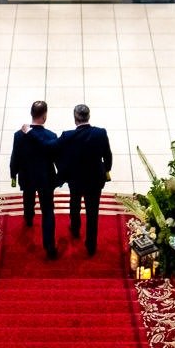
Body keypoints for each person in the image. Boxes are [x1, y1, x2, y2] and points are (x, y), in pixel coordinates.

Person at [56, 103, 112, 256]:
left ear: (75, 119)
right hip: (95, 179)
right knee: (92, 212)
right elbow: (108, 155)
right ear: (89, 117)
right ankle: (91, 245)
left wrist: (63, 171)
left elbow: (56, 153)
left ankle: (75, 229)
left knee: (74, 203)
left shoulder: (67, 136)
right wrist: (106, 170)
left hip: (75, 179)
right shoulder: (100, 133)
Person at [9, 100, 60, 258]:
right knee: (48, 210)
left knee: (28, 198)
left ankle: (29, 218)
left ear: (31, 114)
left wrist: (13, 174)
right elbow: (55, 157)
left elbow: (15, 156)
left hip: (27, 176)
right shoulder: (51, 136)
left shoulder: (19, 135)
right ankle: (49, 246)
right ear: (44, 117)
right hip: (45, 178)